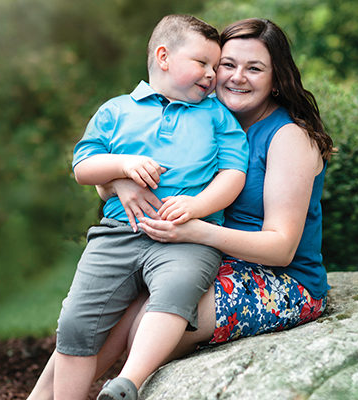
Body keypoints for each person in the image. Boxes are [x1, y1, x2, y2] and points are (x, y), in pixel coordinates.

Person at [27, 17, 333, 400]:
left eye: (255, 68)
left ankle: (122, 388)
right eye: (227, 65)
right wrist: (121, 176)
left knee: (144, 322)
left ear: (277, 78)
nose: (236, 77)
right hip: (197, 250)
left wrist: (196, 231)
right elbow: (109, 184)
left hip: (280, 277)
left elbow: (282, 248)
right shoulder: (200, 116)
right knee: (100, 310)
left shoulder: (287, 137)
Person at [51, 14, 248, 400]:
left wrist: (196, 205)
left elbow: (233, 173)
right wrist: (122, 166)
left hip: (187, 240)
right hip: (117, 235)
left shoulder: (216, 115)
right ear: (163, 57)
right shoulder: (117, 111)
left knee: (176, 291)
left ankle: (128, 382)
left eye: (215, 66)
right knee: (75, 321)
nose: (212, 75)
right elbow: (83, 166)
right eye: (202, 63)